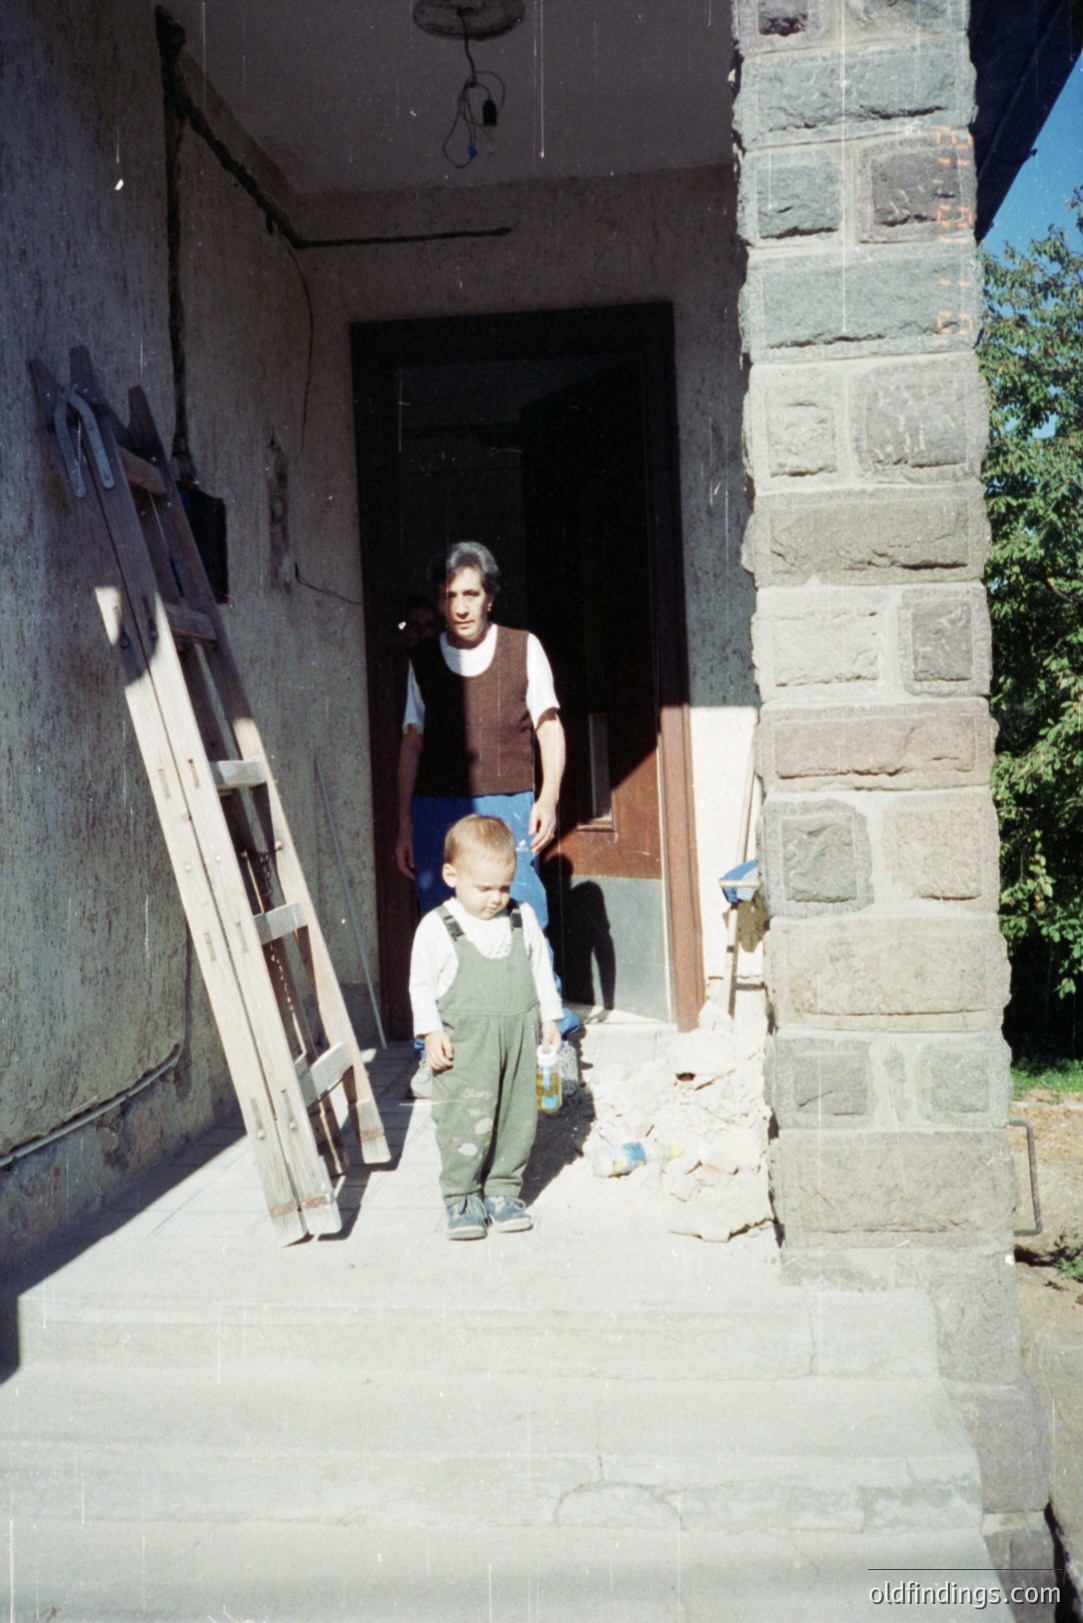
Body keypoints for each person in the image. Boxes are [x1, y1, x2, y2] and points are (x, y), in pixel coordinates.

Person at [396, 541, 574, 1095]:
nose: (461, 606)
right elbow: (411, 744)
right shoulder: (422, 660)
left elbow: (549, 727)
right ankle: (439, 1050)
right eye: (450, 596)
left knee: (523, 917)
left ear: (490, 598)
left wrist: (547, 798)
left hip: (508, 803)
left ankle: (552, 1041)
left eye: (471, 593)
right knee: (441, 927)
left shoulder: (524, 648)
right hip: (435, 810)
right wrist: (404, 824)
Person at [409, 815, 562, 1239]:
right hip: (466, 1046)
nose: (496, 898)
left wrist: (550, 1016)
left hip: (518, 1040)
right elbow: (421, 986)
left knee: (517, 1116)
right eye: (485, 888)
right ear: (451, 875)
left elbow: (539, 969)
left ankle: (503, 1189)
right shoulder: (439, 928)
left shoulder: (521, 919)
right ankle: (461, 1195)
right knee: (466, 1114)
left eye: (504, 887)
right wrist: (431, 1031)